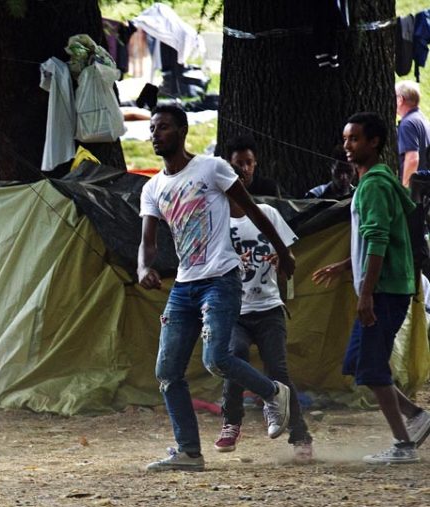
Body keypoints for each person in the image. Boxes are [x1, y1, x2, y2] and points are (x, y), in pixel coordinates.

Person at [138, 105, 295, 472]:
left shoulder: (212, 168)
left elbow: (253, 210)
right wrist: (144, 267)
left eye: (162, 128)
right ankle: (190, 452)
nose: (155, 134)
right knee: (167, 371)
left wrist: (282, 251)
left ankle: (273, 392)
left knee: (216, 360)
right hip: (185, 285)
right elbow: (147, 241)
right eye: (152, 128)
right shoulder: (153, 187)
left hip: (221, 279)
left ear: (182, 130)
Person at [312, 112, 430, 463]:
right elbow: (380, 240)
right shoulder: (373, 182)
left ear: (374, 142)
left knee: (373, 368)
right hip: (382, 287)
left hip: (384, 291)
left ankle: (403, 445)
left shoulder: (376, 185)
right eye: (346, 139)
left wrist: (366, 294)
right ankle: (417, 417)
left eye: (355, 139)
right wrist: (347, 265)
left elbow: (379, 239)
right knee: (359, 363)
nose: (348, 146)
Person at [219, 199, 314, 463]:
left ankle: (300, 435)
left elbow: (288, 254)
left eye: (249, 163)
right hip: (234, 311)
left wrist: (285, 262)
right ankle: (231, 422)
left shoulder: (267, 213)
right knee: (232, 357)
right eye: (238, 165)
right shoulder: (217, 219)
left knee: (278, 370)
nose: (244, 170)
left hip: (269, 308)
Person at [395, 81, 430, 188]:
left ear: (400, 99)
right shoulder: (423, 119)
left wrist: (405, 190)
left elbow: (412, 159)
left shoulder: (407, 124)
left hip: (415, 191)